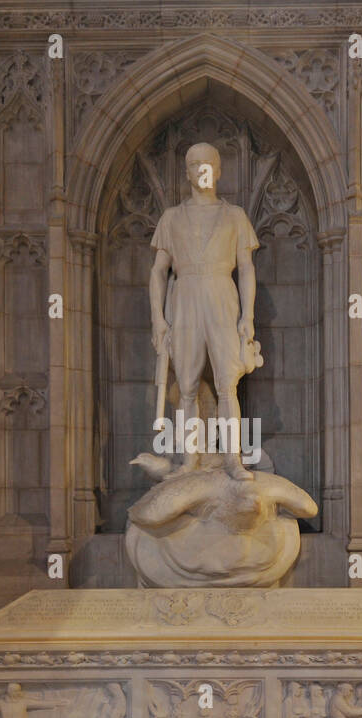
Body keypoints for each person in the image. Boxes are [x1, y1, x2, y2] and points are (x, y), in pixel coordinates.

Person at [148, 141, 261, 481]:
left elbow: (247, 268)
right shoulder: (172, 218)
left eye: (208, 163)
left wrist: (248, 316)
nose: (202, 169)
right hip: (185, 298)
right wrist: (158, 318)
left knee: (228, 384)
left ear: (219, 170)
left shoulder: (235, 216)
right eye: (195, 164)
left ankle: (233, 460)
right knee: (186, 387)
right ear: (186, 172)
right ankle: (189, 461)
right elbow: (158, 270)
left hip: (221, 295)